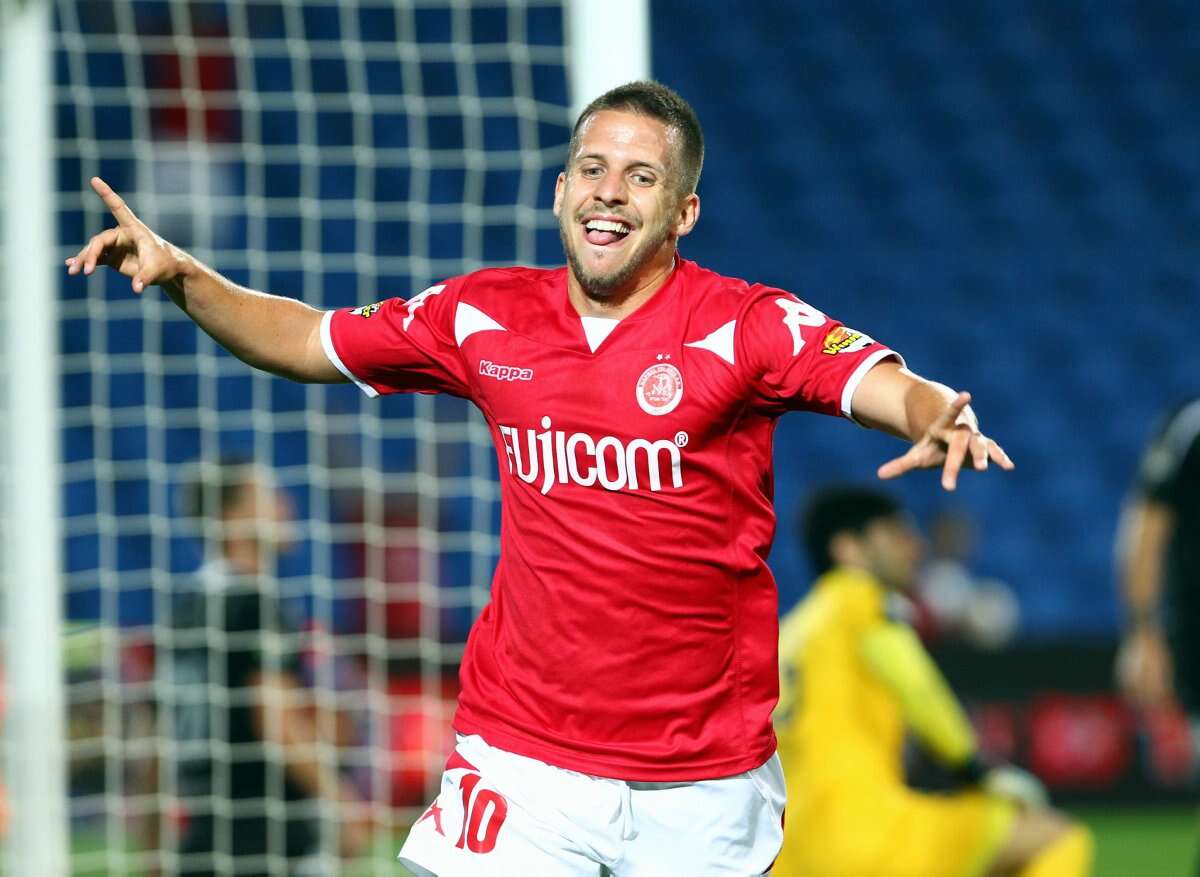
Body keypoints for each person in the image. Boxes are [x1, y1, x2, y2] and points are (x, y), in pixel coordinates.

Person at [69, 80, 1014, 875]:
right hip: (523, 756)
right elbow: (310, 340)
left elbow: (880, 381)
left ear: (682, 212)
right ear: (561, 190)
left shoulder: (744, 324)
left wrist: (934, 412)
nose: (610, 193)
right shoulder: (483, 315)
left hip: (702, 776)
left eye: (641, 176)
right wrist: (185, 275)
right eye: (592, 169)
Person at [773, 486, 1092, 877]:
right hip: (866, 837)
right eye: (894, 533)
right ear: (848, 549)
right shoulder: (861, 601)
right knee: (1057, 838)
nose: (914, 545)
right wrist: (975, 768)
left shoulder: (789, 634)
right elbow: (917, 687)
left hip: (788, 852)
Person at [162, 459, 371, 875]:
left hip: (201, 836)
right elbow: (275, 720)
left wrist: (154, 844)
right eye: (267, 495)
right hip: (266, 834)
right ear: (230, 519)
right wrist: (340, 800)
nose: (284, 505)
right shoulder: (255, 604)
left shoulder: (183, 610)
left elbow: (157, 733)